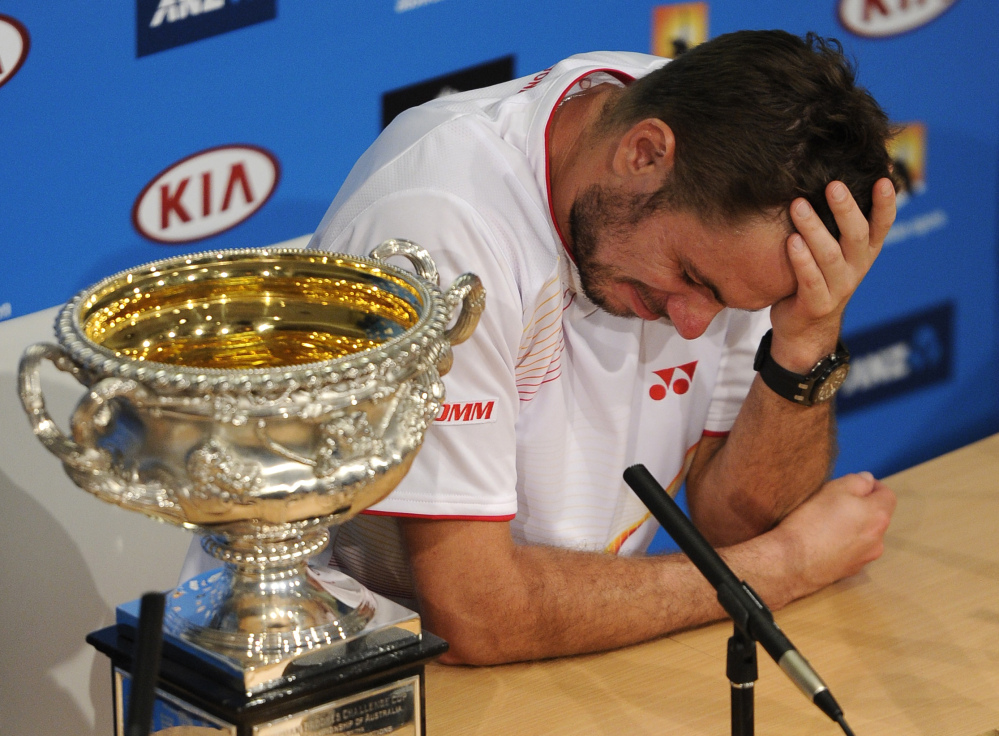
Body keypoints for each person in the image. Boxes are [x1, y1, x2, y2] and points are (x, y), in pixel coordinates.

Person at [187, 30, 898, 665]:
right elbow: (475, 613)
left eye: (730, 305)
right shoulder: (442, 225)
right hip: (362, 668)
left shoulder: (723, 166)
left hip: (576, 653)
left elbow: (731, 521)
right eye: (689, 278)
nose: (691, 324)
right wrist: (785, 568)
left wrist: (805, 340)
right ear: (642, 153)